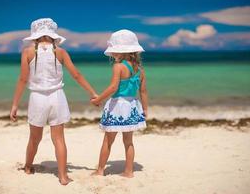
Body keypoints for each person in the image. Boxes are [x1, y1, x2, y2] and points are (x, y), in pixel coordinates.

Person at [10, 18, 97, 185]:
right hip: (57, 97)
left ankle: (28, 167)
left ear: (35, 35)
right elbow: (76, 75)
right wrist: (93, 93)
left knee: (34, 139)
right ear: (52, 34)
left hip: (37, 99)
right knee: (59, 139)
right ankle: (63, 176)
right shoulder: (61, 52)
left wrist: (15, 105)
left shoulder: (27, 52)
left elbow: (22, 79)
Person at [91, 29, 148, 178]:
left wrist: (98, 99)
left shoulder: (118, 67)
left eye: (115, 51)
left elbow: (113, 87)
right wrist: (145, 110)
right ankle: (129, 172)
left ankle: (100, 170)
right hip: (132, 106)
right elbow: (143, 92)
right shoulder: (140, 70)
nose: (113, 54)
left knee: (108, 141)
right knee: (128, 142)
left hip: (117, 106)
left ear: (123, 52)